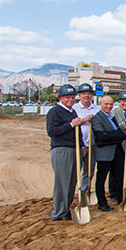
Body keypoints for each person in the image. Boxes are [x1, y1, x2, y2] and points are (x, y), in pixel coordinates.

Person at [46, 84, 82, 221]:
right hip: (61, 149)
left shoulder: (72, 112)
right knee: (62, 182)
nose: (71, 100)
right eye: (67, 97)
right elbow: (52, 131)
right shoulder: (54, 112)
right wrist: (70, 125)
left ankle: (65, 209)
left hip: (74, 148)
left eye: (73, 97)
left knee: (71, 182)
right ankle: (58, 212)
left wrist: (81, 146)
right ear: (60, 98)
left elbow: (76, 132)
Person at [91, 96, 126, 211]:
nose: (109, 106)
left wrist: (111, 136)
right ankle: (102, 203)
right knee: (101, 178)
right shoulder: (97, 118)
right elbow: (100, 137)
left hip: (117, 151)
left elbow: (122, 135)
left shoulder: (112, 117)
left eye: (111, 104)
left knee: (119, 176)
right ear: (100, 104)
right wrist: (115, 136)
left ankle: (121, 198)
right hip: (104, 153)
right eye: (106, 104)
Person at [72, 82, 100, 196]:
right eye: (84, 94)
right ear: (79, 95)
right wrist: (85, 120)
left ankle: (84, 192)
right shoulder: (74, 108)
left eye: (89, 93)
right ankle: (74, 192)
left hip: (92, 144)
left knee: (89, 171)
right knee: (75, 170)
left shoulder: (97, 109)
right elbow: (73, 124)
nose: (86, 96)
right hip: (78, 144)